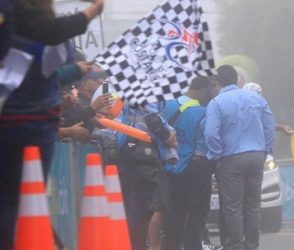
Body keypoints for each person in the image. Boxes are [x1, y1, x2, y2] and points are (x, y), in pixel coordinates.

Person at [0, 0, 103, 248]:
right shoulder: (51, 37)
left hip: (16, 121)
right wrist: (91, 11)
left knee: (10, 197)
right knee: (25, 194)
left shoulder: (12, 33)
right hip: (36, 124)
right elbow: (54, 49)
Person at [204, 65, 275, 249]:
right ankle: (252, 244)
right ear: (237, 80)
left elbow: (211, 133)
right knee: (253, 204)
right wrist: (266, 149)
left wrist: (216, 155)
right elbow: (269, 125)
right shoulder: (256, 98)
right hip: (257, 155)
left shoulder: (216, 103)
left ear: (217, 83)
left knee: (233, 206)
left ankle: (235, 245)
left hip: (231, 158)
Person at [162, 76, 215, 250]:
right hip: (197, 166)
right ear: (202, 89)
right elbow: (211, 139)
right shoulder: (203, 111)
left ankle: (170, 246)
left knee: (175, 211)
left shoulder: (169, 105)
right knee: (197, 213)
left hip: (173, 165)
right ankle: (193, 246)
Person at [117, 103, 177, 250]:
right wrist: (167, 134)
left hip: (130, 149)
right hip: (145, 152)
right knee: (156, 204)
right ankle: (152, 246)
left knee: (137, 206)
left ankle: (140, 245)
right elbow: (152, 118)